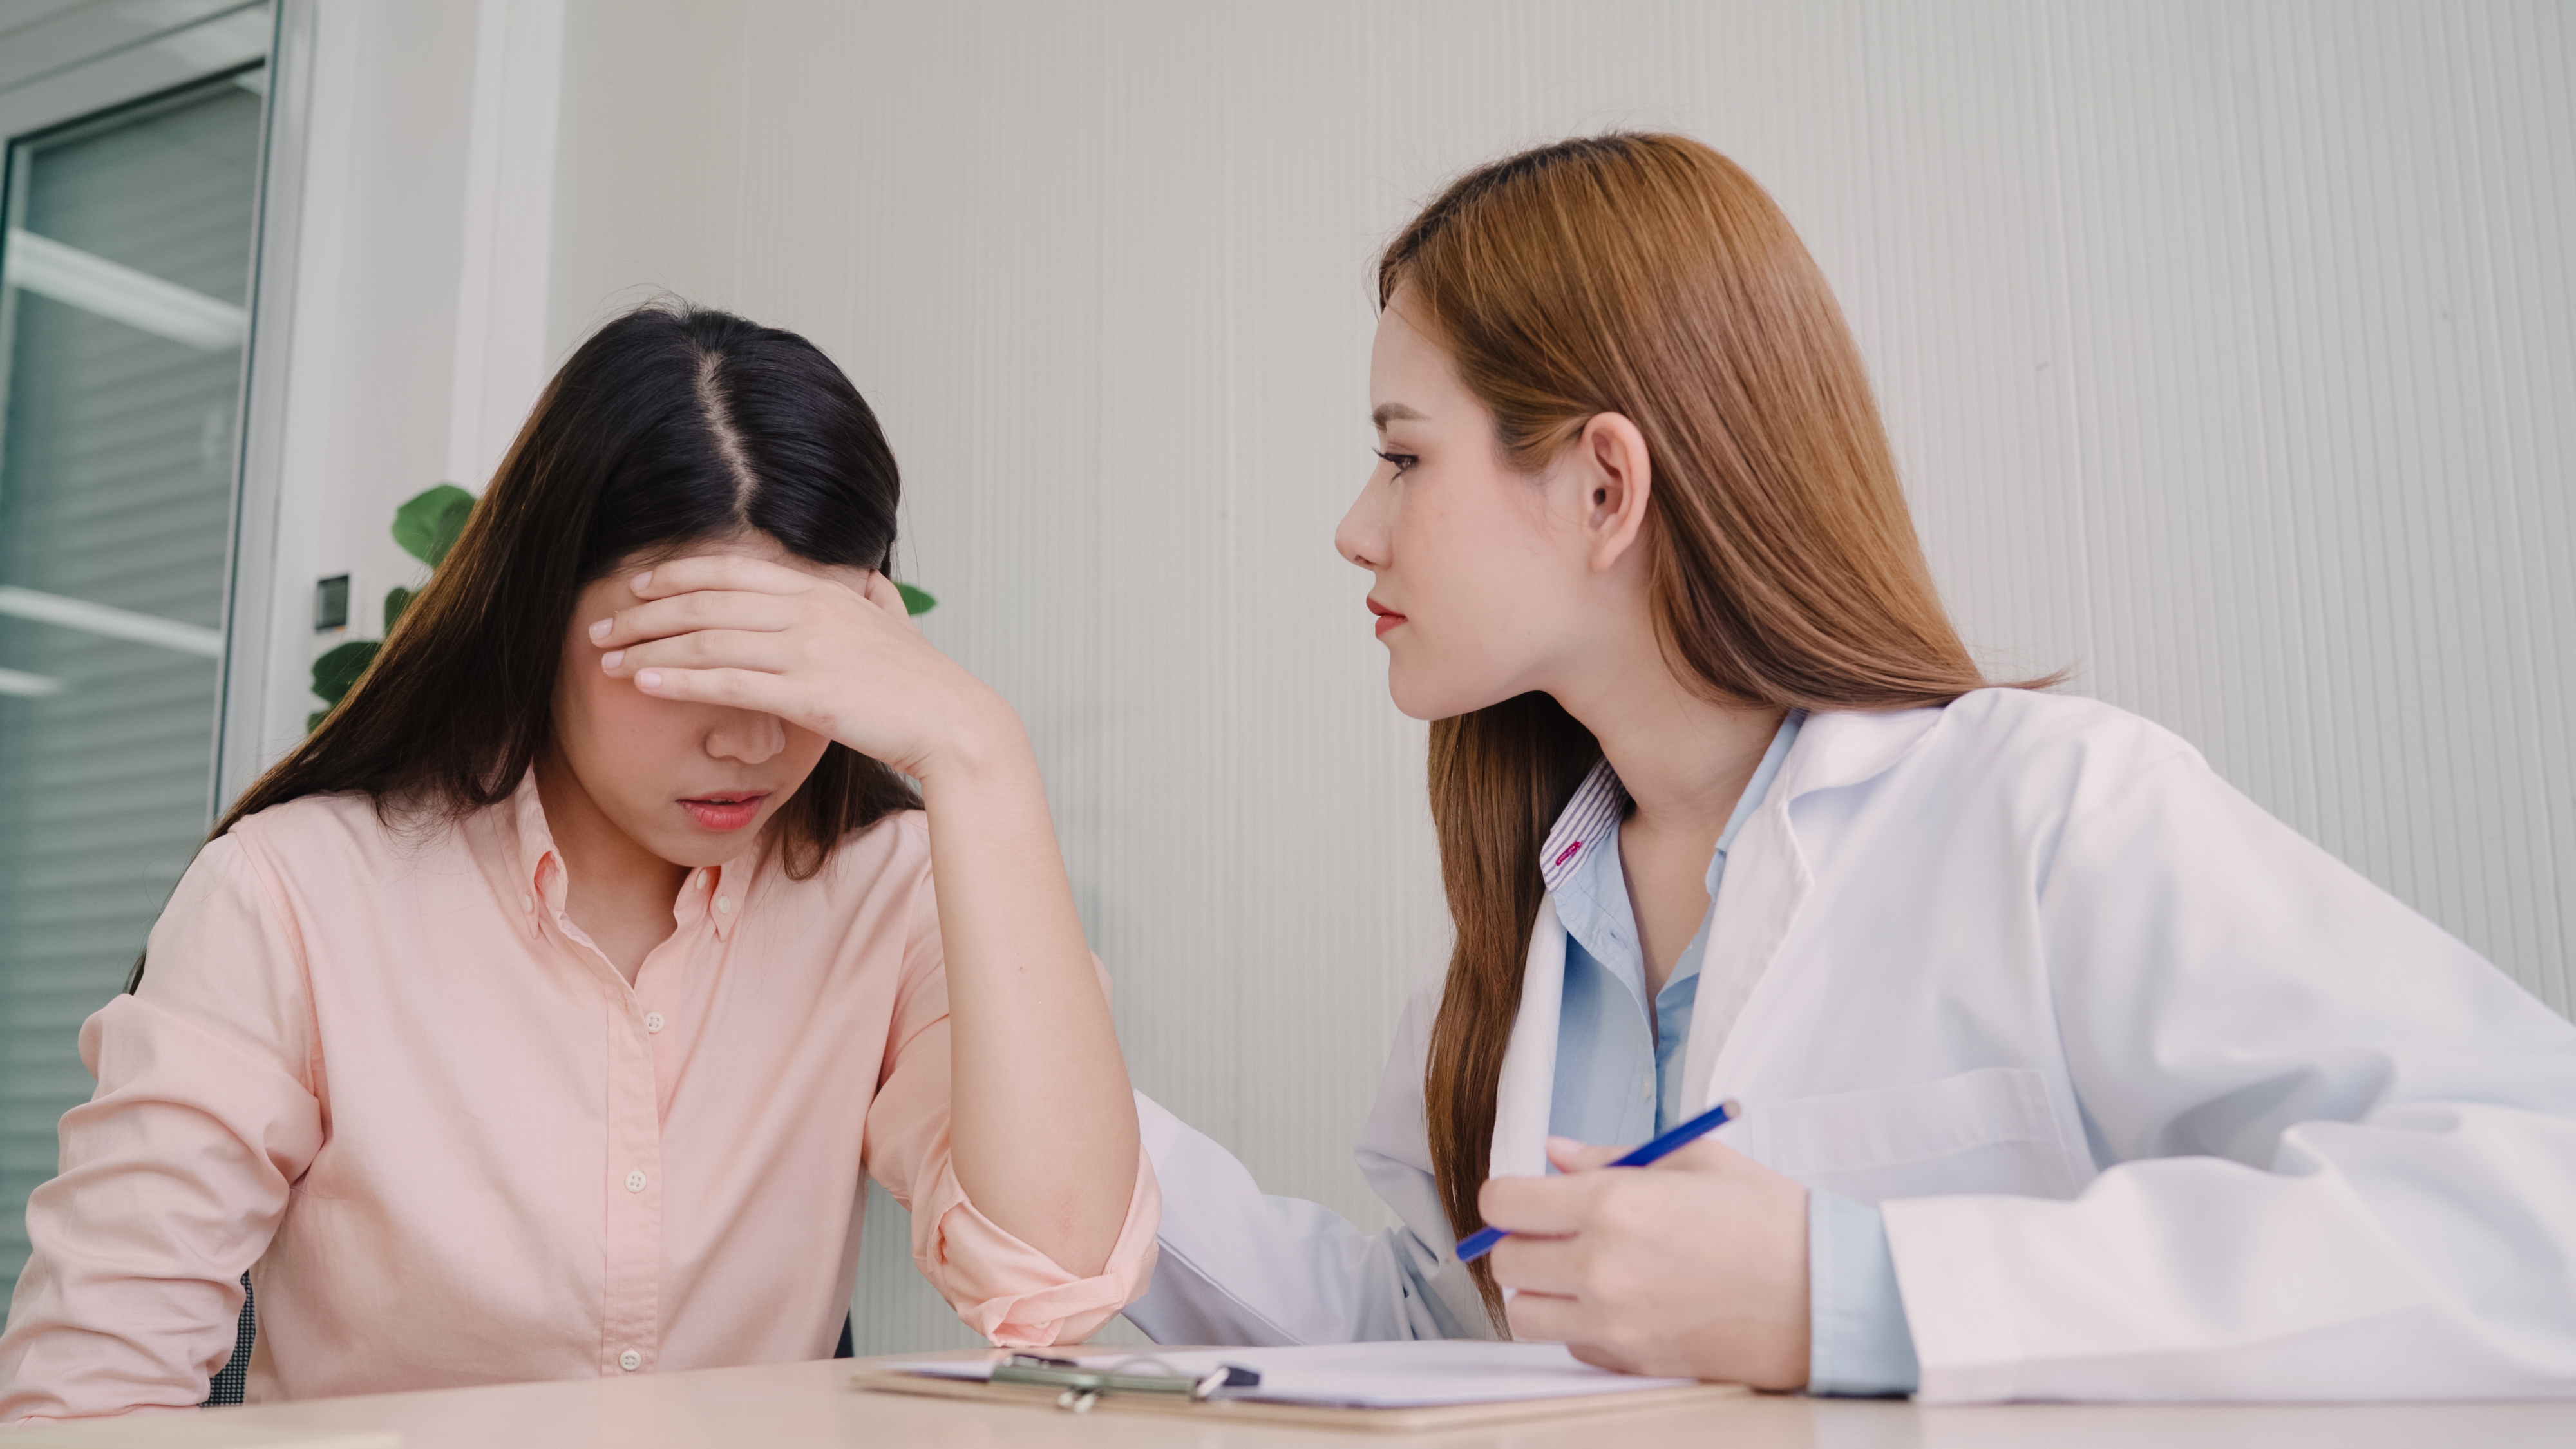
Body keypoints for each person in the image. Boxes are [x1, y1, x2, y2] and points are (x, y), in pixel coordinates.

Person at [1122, 133, 2576, 1402]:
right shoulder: (1531, 930)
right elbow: (1446, 1341)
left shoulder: (2047, 811)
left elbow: (2534, 1211)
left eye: (1401, 457)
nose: (1353, 529)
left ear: (1602, 488)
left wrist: (1854, 1287)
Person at [0, 304, 1154, 1420]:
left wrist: (978, 751)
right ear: (543, 609)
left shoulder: (886, 891)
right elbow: (92, 1397)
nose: (749, 740)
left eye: (796, 667)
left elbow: (1053, 1285)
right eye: (686, 658)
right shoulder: (292, 892)